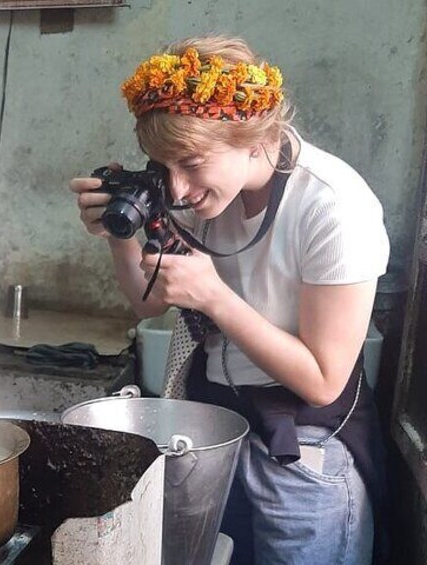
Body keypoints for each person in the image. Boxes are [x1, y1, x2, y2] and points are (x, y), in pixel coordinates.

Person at [70, 36, 389, 564]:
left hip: (303, 443)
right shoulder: (201, 190)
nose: (177, 189)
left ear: (253, 137)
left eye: (192, 163)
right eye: (162, 166)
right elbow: (147, 304)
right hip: (215, 424)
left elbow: (323, 379)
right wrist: (120, 235)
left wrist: (214, 297)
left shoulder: (335, 207)